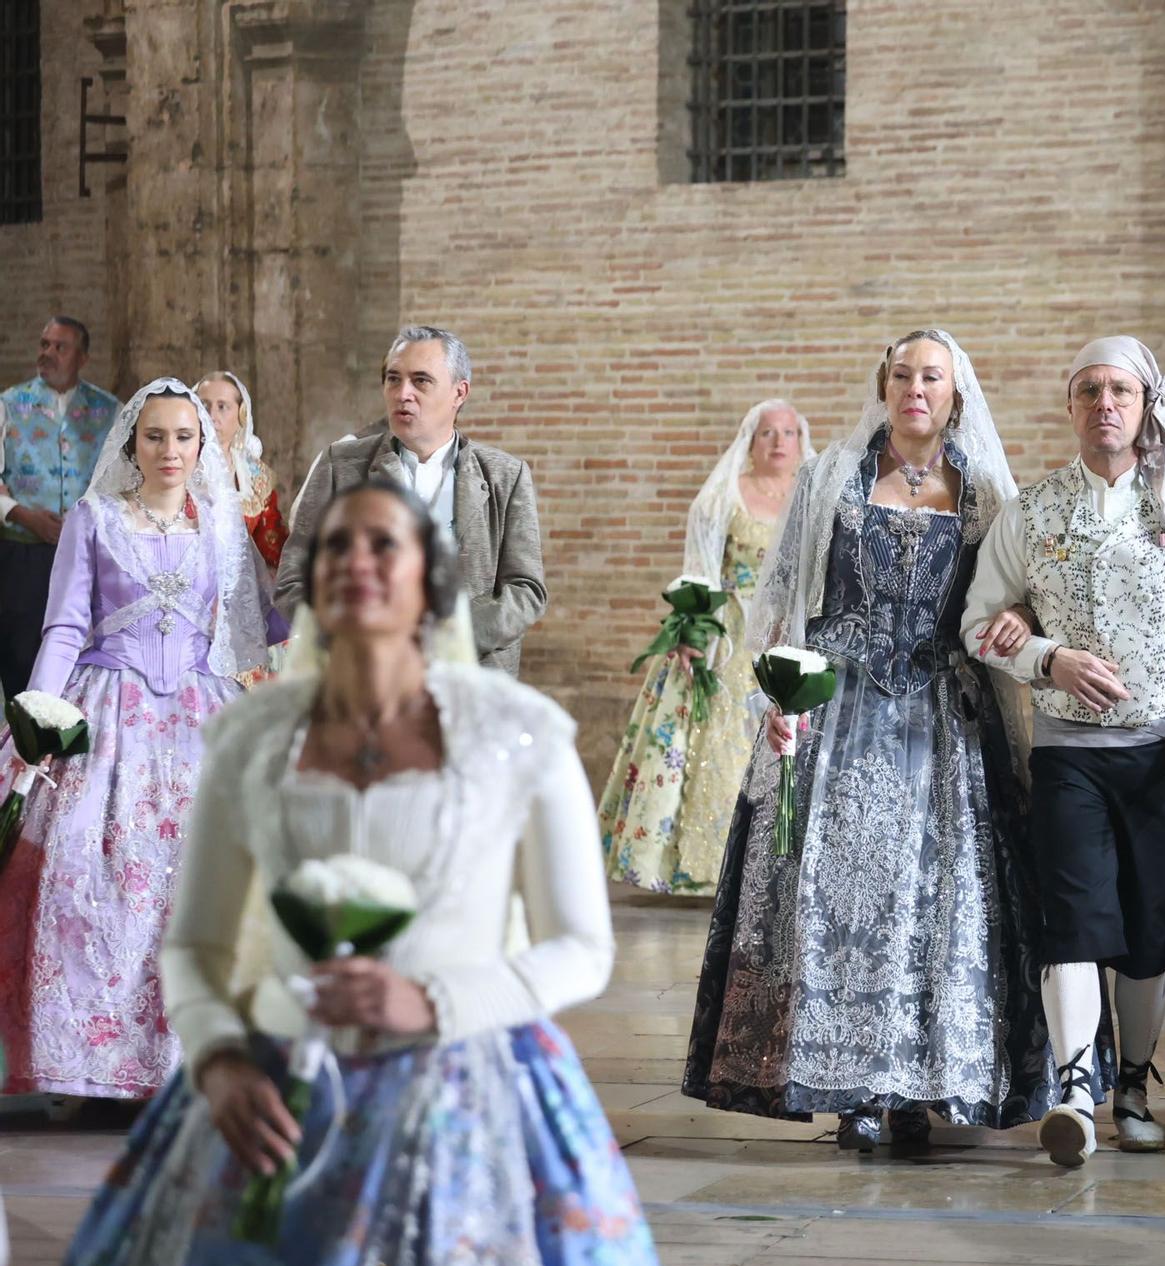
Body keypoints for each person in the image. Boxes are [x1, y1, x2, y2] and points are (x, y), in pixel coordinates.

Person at [39, 477, 673, 1266]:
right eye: (335, 545)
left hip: (463, 1089)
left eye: (384, 545)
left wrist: (435, 999)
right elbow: (194, 947)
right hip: (275, 1090)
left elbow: (582, 948)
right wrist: (221, 1061)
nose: (355, 562)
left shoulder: (518, 736)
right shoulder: (250, 737)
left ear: (430, 584)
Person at [683, 330, 1086, 1151]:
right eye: (901, 374)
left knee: (936, 902)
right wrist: (781, 693)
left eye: (930, 376)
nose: (914, 388)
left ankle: (920, 1084)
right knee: (837, 896)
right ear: (884, 385)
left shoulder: (984, 495)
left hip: (945, 717)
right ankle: (857, 1085)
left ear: (954, 393)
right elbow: (787, 592)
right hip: (842, 708)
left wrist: (1016, 618)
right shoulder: (833, 474)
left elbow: (1015, 594)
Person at [960, 334, 1165, 1168]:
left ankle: (1132, 1088)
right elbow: (979, 623)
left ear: (1145, 409)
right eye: (1090, 391)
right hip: (1067, 752)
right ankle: (1074, 1092)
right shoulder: (1029, 513)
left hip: (1162, 755)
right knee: (1073, 916)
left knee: (1145, 927)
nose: (1106, 404)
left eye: (1122, 392)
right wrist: (1045, 657)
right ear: (1070, 407)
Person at [0, 379, 284, 1103]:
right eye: (155, 436)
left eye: (184, 436)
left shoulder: (221, 523)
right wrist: (38, 711)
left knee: (201, 877)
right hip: (108, 710)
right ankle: (92, 1066)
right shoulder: (92, 519)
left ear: (201, 446)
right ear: (132, 443)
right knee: (88, 874)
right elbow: (65, 624)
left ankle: (189, 1060)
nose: (170, 449)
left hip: (199, 714)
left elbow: (261, 620)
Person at [599, 400, 813, 897]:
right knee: (717, 746)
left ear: (802, 442)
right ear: (749, 441)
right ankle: (706, 866)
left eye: (789, 432)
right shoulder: (722, 499)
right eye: (767, 433)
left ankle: (777, 867)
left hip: (787, 636)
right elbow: (700, 569)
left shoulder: (811, 500)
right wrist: (693, 633)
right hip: (729, 636)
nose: (779, 442)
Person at [275, 324, 547, 675]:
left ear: (459, 393)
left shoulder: (505, 477)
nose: (403, 393)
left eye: (421, 381)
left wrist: (449, 636)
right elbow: (292, 582)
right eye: (393, 379)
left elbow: (526, 591)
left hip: (471, 684)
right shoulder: (340, 467)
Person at [0, 317, 121, 700]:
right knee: (20, 656)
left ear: (83, 357)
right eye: (44, 344)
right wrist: (23, 514)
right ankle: (19, 749)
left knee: (82, 654)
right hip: (23, 557)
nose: (47, 353)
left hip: (89, 555)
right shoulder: (7, 405)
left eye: (60, 347)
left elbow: (122, 481)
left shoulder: (111, 410)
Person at [195, 371, 290, 570]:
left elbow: (272, 545)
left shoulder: (256, 475)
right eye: (203, 406)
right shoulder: (174, 464)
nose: (211, 416)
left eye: (222, 407)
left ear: (241, 415)